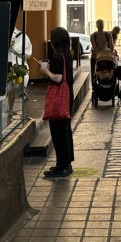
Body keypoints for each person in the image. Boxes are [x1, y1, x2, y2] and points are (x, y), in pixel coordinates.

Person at [40, 26, 75, 179]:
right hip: (67, 96)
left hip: (59, 98)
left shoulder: (59, 57)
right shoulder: (67, 54)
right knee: (65, 131)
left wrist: (45, 70)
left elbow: (58, 78)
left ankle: (62, 166)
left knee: (58, 132)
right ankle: (65, 164)